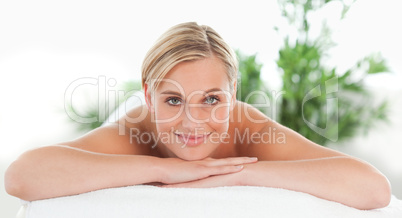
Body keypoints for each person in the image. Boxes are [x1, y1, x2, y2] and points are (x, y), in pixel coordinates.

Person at [5, 22, 391, 210]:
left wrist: (236, 172)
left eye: (211, 99)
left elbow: (373, 189)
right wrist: (162, 170)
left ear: (234, 95)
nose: (194, 121)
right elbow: (22, 176)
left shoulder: (246, 127)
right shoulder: (133, 131)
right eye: (173, 100)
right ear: (147, 94)